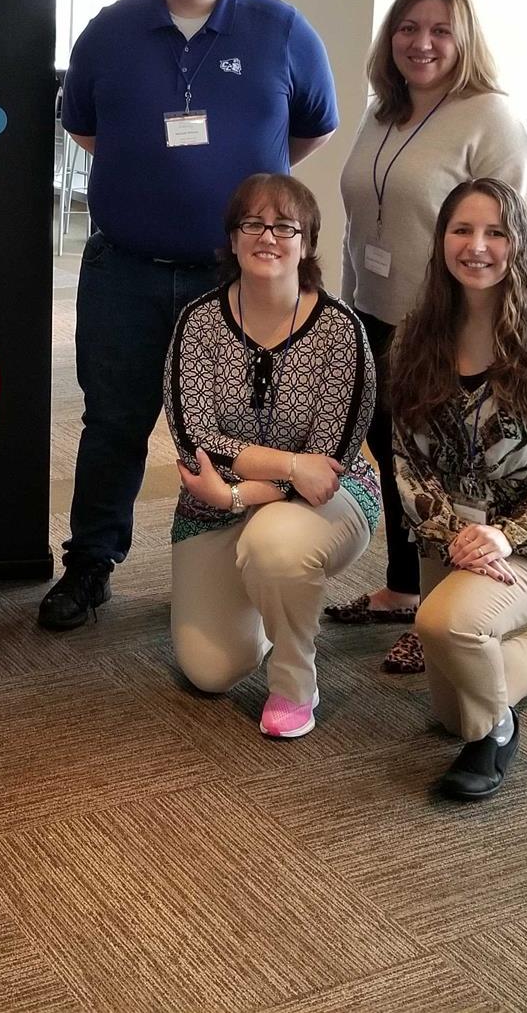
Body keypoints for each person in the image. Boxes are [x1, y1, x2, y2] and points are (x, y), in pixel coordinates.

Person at [45, 0, 338, 631]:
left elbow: (309, 132)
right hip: (127, 270)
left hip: (235, 279)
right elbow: (84, 127)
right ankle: (92, 563)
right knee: (114, 421)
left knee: (243, 424)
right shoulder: (109, 32)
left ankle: (243, 559)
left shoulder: (280, 29)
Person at [330, 0, 527, 675]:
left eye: (440, 30)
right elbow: (367, 214)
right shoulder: (383, 110)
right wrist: (351, 306)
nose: (422, 43)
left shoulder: (491, 118)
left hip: (454, 325)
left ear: (465, 39)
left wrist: (491, 330)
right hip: (378, 314)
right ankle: (401, 587)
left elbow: (518, 236)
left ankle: (445, 608)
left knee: (452, 473)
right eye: (409, 28)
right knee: (395, 459)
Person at [389, 177, 527, 800]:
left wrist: (504, 536)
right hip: (453, 537)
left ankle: (497, 734)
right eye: (462, 230)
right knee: (449, 712)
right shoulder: (416, 335)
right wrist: (454, 533)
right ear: (441, 241)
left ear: (521, 243)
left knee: (449, 633)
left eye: (496, 232)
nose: (477, 246)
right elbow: (406, 459)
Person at [165, 173, 382, 738]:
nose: (269, 237)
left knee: (275, 543)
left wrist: (236, 489)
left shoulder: (341, 332)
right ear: (232, 239)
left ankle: (294, 684)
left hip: (328, 503)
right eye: (253, 224)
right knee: (211, 671)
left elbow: (327, 467)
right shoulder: (197, 323)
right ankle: (269, 597)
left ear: (306, 243)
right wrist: (281, 470)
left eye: (285, 226)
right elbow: (198, 443)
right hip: (213, 508)